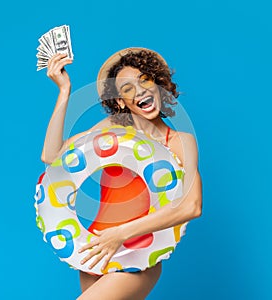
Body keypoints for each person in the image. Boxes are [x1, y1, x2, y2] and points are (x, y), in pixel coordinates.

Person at [41, 47, 203, 300]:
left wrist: (121, 234)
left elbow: (191, 207)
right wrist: (64, 92)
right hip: (95, 246)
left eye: (145, 81)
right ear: (119, 101)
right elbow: (51, 157)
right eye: (127, 88)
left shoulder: (180, 141)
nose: (140, 91)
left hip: (139, 250)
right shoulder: (112, 130)